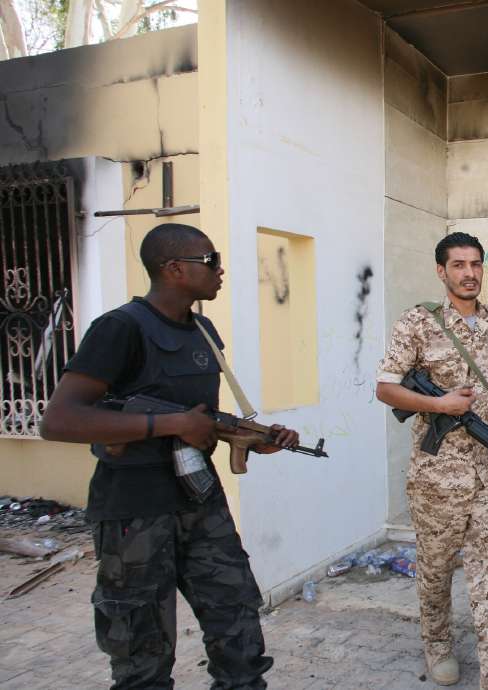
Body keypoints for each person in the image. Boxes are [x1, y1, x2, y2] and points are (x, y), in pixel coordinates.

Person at [40, 223, 300, 689]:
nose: (220, 270)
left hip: (199, 500)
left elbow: (199, 420)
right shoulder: (120, 328)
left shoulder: (203, 330)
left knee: (238, 626)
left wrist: (248, 438)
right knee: (142, 652)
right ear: (174, 269)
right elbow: (59, 420)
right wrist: (170, 425)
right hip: (134, 508)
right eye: (211, 260)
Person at [375, 232, 488, 689]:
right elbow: (386, 388)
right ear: (441, 271)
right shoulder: (417, 323)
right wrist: (439, 405)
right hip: (437, 478)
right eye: (459, 265)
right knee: (435, 571)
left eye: (476, 264)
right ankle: (438, 641)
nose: (469, 273)